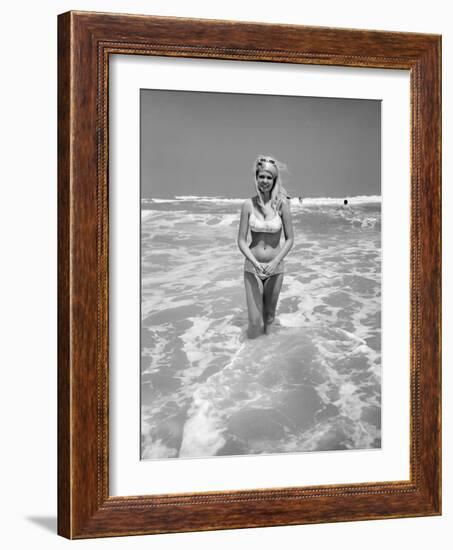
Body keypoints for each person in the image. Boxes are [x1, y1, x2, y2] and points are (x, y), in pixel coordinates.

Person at [237, 156, 294, 338]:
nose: (265, 181)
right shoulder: (248, 205)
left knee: (269, 318)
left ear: (274, 180)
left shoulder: (281, 205)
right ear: (256, 177)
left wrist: (275, 262)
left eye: (269, 177)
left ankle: (267, 360)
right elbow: (241, 240)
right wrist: (254, 262)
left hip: (275, 269)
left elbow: (290, 239)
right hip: (252, 268)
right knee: (254, 322)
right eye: (262, 176)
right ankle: (248, 361)